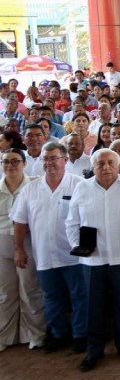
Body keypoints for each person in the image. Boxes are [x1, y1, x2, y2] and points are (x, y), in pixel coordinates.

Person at [66, 148, 120, 372]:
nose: (106, 167)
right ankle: (94, 349)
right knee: (94, 306)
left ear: (119, 165)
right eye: (100, 163)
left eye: (111, 162)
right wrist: (78, 247)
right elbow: (72, 222)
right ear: (93, 167)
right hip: (93, 259)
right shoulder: (82, 187)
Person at [11, 142, 87, 354]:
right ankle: (58, 334)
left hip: (74, 255)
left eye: (54, 158)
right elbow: (19, 222)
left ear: (65, 160)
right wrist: (19, 249)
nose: (49, 163)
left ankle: (80, 335)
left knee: (79, 296)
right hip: (44, 254)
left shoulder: (79, 185)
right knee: (51, 297)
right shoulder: (30, 189)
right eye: (46, 159)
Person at [0, 148, 44, 350]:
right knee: (5, 292)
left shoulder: (34, 184)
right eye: (6, 161)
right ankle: (5, 336)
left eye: (15, 161)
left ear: (24, 163)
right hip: (2, 243)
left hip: (27, 242)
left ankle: (35, 335)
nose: (10, 165)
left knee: (29, 289)